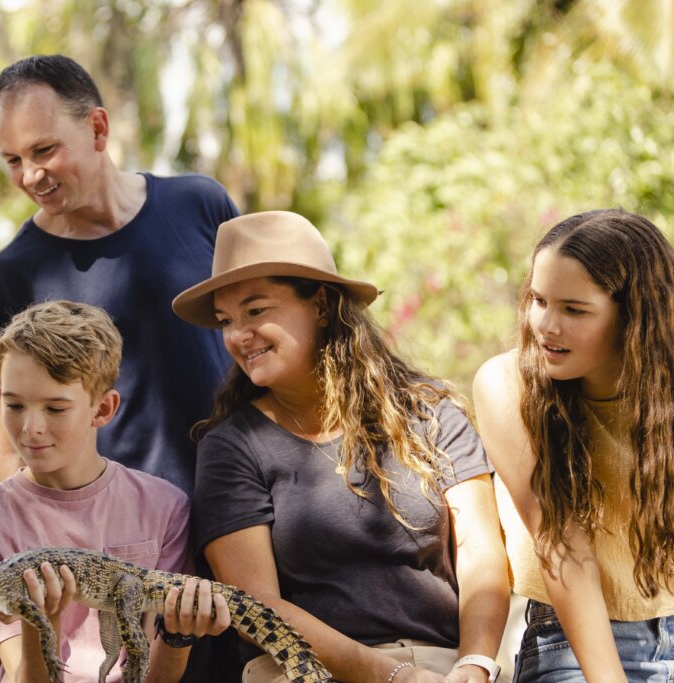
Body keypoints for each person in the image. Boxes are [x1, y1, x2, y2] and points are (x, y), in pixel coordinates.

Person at [172, 211, 510, 683]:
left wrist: (475, 664)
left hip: (446, 667)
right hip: (301, 670)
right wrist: (391, 677)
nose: (236, 336)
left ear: (323, 307)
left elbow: (481, 548)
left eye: (256, 311)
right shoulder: (232, 445)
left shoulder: (428, 413)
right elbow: (257, 606)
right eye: (226, 321)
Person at [0, 54, 239, 494]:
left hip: (238, 504)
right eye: (13, 160)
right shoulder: (10, 275)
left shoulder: (200, 204)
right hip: (116, 540)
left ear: (98, 129)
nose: (30, 175)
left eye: (43, 150)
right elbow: (12, 449)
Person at [0, 300, 231, 683]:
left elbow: (157, 675)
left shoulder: (165, 507)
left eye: (55, 409)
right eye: (15, 404)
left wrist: (179, 635)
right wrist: (42, 623)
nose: (30, 427)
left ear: (102, 409)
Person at [473, 208, 674, 682]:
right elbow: (564, 548)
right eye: (539, 300)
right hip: (576, 642)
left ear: (633, 316)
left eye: (574, 310)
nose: (546, 325)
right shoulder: (508, 386)